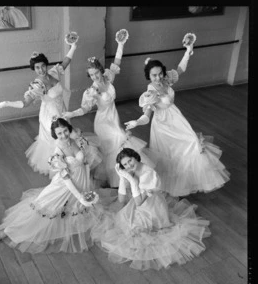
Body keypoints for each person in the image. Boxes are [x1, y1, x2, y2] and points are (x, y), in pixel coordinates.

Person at [124, 35, 230, 197]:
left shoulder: (167, 80)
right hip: (163, 126)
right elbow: (146, 115)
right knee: (169, 155)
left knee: (193, 144)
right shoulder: (150, 93)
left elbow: (181, 68)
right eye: (154, 75)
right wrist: (136, 122)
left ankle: (188, 182)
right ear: (148, 77)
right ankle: (170, 186)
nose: (158, 77)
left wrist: (188, 51)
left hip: (177, 120)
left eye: (160, 73)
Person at [0, 118, 103, 254]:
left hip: (81, 181)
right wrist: (79, 196)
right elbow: (65, 177)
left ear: (69, 128)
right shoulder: (58, 152)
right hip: (65, 185)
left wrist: (86, 180)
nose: (63, 135)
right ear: (55, 135)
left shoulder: (75, 140)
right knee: (45, 206)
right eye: (59, 133)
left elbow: (84, 162)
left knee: (71, 209)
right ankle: (8, 231)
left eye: (65, 131)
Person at [91, 148, 211, 271]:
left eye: (130, 160)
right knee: (124, 220)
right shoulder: (131, 170)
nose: (129, 165)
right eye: (125, 164)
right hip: (140, 201)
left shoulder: (148, 174)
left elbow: (139, 202)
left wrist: (131, 181)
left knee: (136, 229)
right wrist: (122, 178)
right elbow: (121, 199)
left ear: (135, 157)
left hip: (151, 206)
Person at [63, 29, 148, 187]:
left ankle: (126, 175)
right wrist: (71, 114)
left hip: (113, 117)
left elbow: (117, 61)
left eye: (96, 73)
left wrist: (120, 44)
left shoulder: (109, 78)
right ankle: (116, 177)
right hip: (102, 121)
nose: (95, 77)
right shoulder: (90, 91)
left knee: (117, 143)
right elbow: (84, 109)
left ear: (101, 71)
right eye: (92, 75)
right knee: (118, 138)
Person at [0, 36, 77, 176]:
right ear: (34, 69)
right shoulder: (37, 85)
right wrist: (6, 104)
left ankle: (71, 161)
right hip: (50, 114)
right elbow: (25, 103)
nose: (41, 70)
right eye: (37, 67)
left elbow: (66, 62)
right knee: (57, 138)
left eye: (43, 66)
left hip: (61, 109)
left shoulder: (53, 73)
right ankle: (59, 167)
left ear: (46, 65)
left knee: (66, 134)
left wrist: (73, 47)